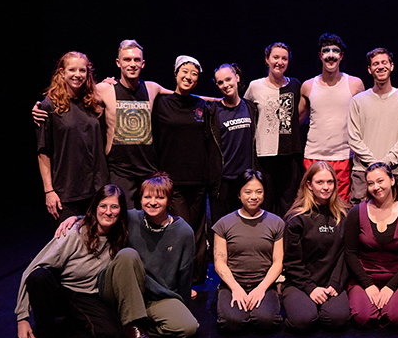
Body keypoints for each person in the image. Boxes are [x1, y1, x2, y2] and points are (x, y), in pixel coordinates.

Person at [33, 40, 174, 208]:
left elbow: (181, 97)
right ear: (118, 62)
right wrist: (37, 108)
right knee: (120, 221)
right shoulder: (101, 90)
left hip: (139, 171)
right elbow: (44, 149)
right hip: (113, 172)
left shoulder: (149, 88)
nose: (132, 64)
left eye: (136, 60)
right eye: (127, 59)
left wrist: (213, 101)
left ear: (143, 63)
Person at [58, 173, 200, 338]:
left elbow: (185, 275)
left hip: (157, 297)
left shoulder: (183, 232)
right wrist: (77, 218)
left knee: (188, 327)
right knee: (128, 254)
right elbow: (106, 216)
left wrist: (182, 308)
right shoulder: (132, 217)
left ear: (169, 201)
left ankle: (134, 325)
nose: (152, 202)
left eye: (160, 197)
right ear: (140, 199)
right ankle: (132, 324)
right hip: (120, 289)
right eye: (147, 196)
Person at [16, 185, 155, 338]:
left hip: (89, 296)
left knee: (111, 335)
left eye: (114, 207)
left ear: (121, 210)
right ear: (95, 207)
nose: (108, 212)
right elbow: (32, 269)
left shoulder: (121, 235)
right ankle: (44, 337)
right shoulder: (74, 232)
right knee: (39, 276)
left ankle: (71, 322)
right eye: (103, 206)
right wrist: (22, 318)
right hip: (62, 292)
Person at [152, 55, 210, 286]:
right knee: (181, 230)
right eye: (184, 72)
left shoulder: (201, 105)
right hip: (172, 180)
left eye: (194, 74)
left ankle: (196, 278)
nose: (188, 77)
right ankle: (180, 278)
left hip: (199, 179)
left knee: (198, 231)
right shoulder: (160, 103)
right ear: (175, 74)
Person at [36, 51, 109, 225]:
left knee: (97, 245)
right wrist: (49, 191)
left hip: (97, 188)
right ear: (62, 72)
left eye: (82, 70)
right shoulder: (48, 106)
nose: (77, 75)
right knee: (69, 244)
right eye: (72, 70)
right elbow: (42, 152)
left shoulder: (95, 103)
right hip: (67, 190)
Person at [344, 162, 398, 327]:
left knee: (396, 317)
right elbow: (350, 254)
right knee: (363, 317)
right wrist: (368, 285)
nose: (375, 187)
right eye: (370, 183)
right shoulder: (356, 212)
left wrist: (391, 286)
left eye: (380, 181)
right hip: (363, 277)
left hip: (396, 279)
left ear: (392, 180)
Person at [212, 169, 284, 332]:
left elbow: (278, 262)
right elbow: (219, 262)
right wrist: (236, 288)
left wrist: (261, 288)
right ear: (238, 194)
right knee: (232, 322)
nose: (254, 196)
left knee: (266, 321)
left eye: (259, 191)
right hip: (233, 283)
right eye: (248, 192)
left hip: (263, 283)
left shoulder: (276, 223)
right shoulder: (224, 223)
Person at [282, 161, 351, 331]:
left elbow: (346, 254)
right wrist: (310, 288)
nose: (326, 187)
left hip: (331, 283)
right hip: (300, 282)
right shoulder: (296, 218)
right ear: (309, 185)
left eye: (330, 182)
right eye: (320, 182)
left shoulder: (344, 215)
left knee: (337, 319)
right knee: (304, 321)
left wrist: (335, 284)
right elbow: (291, 262)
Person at [300, 33, 365, 202]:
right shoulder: (307, 86)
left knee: (340, 206)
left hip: (342, 155)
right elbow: (297, 119)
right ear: (320, 55)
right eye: (326, 51)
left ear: (341, 56)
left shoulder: (355, 84)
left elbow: (368, 115)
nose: (330, 55)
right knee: (313, 204)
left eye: (335, 51)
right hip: (314, 154)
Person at [348, 48, 398, 204]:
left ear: (391, 66)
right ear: (369, 69)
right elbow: (354, 138)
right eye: (375, 64)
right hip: (363, 172)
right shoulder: (357, 101)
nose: (380, 66)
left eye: (384, 62)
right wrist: (375, 165)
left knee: (392, 222)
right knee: (360, 220)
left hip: (395, 172)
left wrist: (385, 164)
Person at [244, 42, 304, 216]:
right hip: (264, 155)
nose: (279, 62)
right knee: (266, 201)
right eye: (275, 57)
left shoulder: (295, 85)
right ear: (267, 59)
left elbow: (300, 114)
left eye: (284, 58)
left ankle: (287, 241)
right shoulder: (255, 86)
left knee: (289, 203)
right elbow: (246, 113)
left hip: (289, 155)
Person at [206, 63, 258, 223]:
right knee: (222, 226)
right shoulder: (213, 111)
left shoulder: (251, 108)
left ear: (237, 78)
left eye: (228, 79)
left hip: (246, 179)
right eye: (220, 82)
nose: (225, 85)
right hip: (223, 182)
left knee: (246, 225)